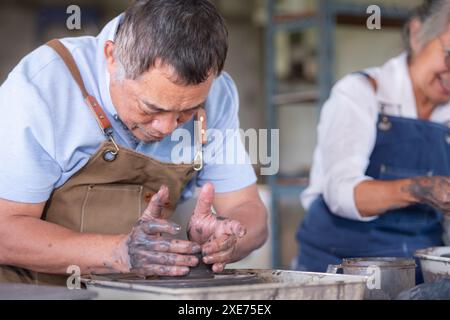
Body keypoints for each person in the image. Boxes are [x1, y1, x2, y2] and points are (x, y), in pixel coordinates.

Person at [0, 0, 268, 285]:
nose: (166, 128)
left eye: (187, 112)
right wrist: (118, 253)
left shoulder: (219, 96)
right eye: (150, 108)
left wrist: (225, 241)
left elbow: (250, 212)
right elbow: (5, 232)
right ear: (112, 57)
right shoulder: (43, 87)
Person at [296, 0, 450, 283]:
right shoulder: (361, 94)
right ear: (417, 36)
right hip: (340, 273)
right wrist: (421, 189)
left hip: (419, 276)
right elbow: (342, 193)